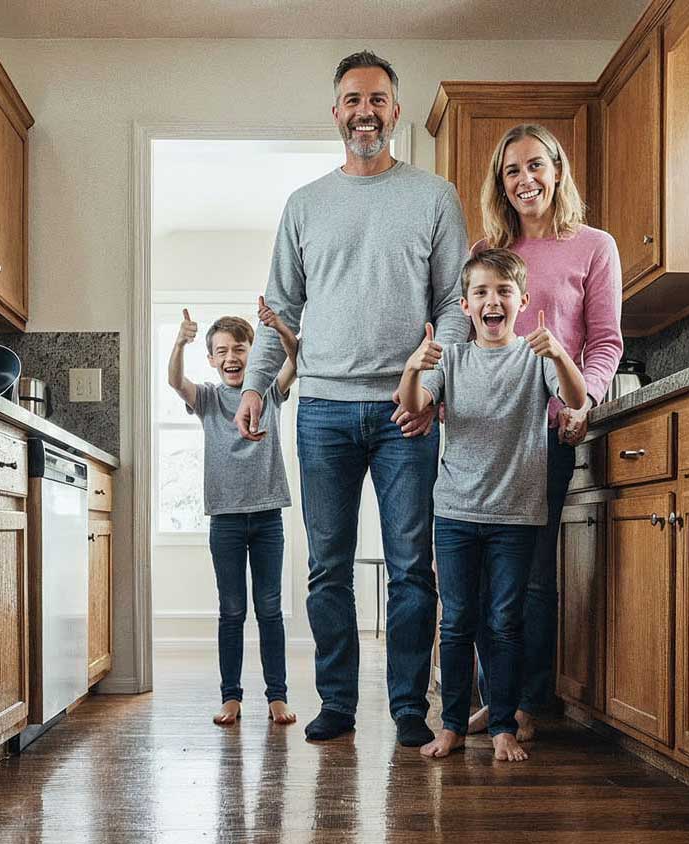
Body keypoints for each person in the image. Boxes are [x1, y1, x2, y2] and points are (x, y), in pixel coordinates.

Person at [234, 50, 470, 746]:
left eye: (377, 100)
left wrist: (429, 386)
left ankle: (406, 708)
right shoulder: (305, 205)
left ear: (394, 111)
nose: (364, 112)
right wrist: (253, 386)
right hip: (325, 411)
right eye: (351, 100)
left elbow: (452, 308)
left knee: (408, 569)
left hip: (408, 414)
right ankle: (336, 702)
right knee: (327, 568)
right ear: (335, 112)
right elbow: (280, 307)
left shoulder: (434, 196)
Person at [397, 248, 587, 762]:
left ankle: (502, 724)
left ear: (522, 301)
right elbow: (413, 405)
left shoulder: (536, 357)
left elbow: (574, 397)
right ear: (465, 305)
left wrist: (560, 354)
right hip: (456, 513)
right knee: (457, 621)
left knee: (504, 621)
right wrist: (414, 366)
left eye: (503, 292)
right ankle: (453, 724)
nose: (492, 301)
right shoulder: (451, 358)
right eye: (481, 292)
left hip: (516, 516)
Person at [467, 123, 623, 741]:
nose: (525, 179)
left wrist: (587, 401)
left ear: (557, 170)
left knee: (529, 575)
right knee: (478, 573)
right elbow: (468, 336)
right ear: (500, 184)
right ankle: (495, 699)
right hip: (483, 439)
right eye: (512, 171)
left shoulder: (594, 246)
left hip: (547, 434)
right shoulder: (488, 249)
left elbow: (606, 342)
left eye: (535, 166)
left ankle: (530, 700)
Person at [168, 305, 298, 728]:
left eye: (239, 349)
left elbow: (295, 362)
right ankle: (231, 697)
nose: (231, 357)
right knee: (231, 611)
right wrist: (179, 342)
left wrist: (279, 326)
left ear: (252, 351)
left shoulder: (266, 393)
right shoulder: (207, 398)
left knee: (270, 609)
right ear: (211, 359)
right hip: (224, 519)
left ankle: (277, 697)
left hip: (267, 516)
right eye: (221, 351)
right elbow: (175, 381)